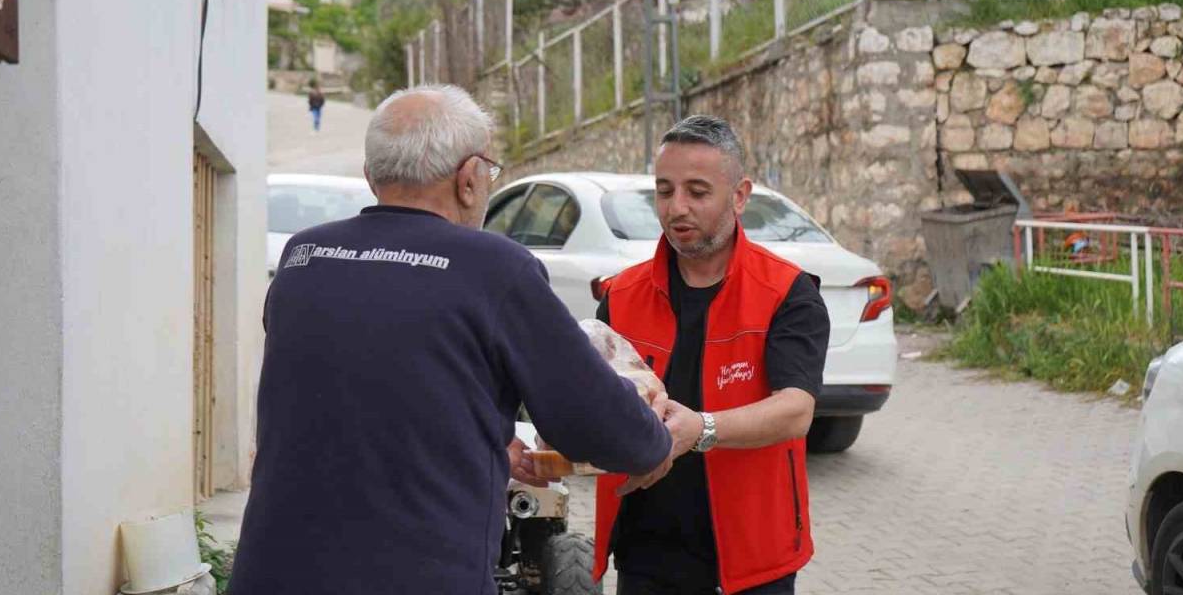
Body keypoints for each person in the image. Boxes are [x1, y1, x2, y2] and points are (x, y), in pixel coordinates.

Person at [228, 85, 697, 595]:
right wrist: (654, 441)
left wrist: (490, 440)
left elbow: (370, 382)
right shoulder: (495, 268)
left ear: (371, 177)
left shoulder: (302, 259)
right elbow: (596, 424)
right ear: (470, 179)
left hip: (271, 572)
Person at [592, 116, 831, 595]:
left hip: (752, 560)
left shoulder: (786, 293)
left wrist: (700, 429)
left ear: (740, 195)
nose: (677, 207)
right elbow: (597, 402)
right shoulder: (621, 296)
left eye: (697, 192)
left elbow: (795, 410)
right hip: (645, 555)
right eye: (664, 190)